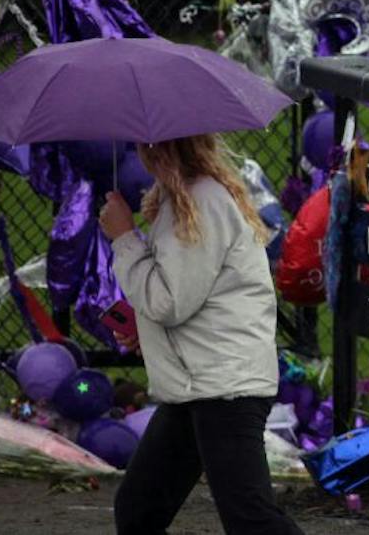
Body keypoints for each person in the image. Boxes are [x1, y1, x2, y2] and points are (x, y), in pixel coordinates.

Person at [98, 134, 303, 535]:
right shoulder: (188, 199)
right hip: (197, 384)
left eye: (144, 145)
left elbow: (168, 302)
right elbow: (195, 295)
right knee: (139, 507)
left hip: (223, 387)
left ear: (157, 147)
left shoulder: (201, 202)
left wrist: (124, 238)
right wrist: (147, 331)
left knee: (251, 518)